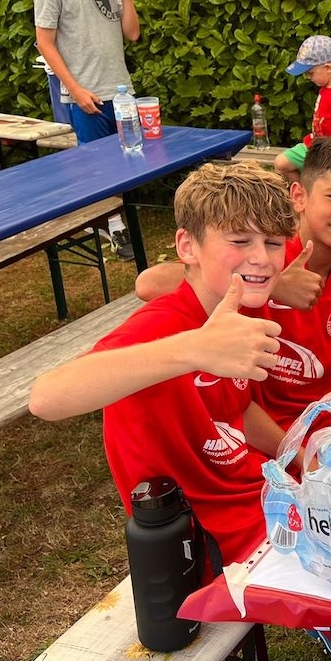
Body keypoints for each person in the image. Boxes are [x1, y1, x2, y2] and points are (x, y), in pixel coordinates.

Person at [28, 162, 294, 563]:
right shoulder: (166, 323)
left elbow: (236, 408)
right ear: (187, 246)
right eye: (240, 240)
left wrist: (299, 455)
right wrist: (194, 348)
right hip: (199, 539)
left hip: (254, 493)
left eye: (274, 243)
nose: (262, 258)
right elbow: (45, 398)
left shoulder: (237, 314)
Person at [134, 138, 331, 428]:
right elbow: (148, 284)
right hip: (251, 429)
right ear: (299, 196)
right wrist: (274, 284)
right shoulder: (261, 258)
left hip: (324, 427)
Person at [33, 0, 141, 258]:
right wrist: (75, 89)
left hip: (121, 90)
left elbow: (132, 34)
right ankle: (113, 227)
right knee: (97, 166)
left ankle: (119, 218)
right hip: (86, 94)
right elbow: (45, 43)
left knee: (127, 161)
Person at [275, 35, 331, 183]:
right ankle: (305, 193)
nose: (308, 77)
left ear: (327, 68)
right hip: (314, 145)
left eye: (310, 73)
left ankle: (310, 192)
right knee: (281, 163)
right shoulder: (326, 88)